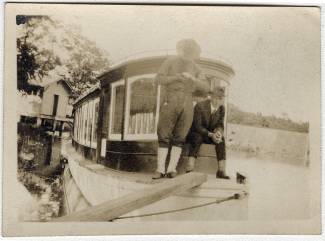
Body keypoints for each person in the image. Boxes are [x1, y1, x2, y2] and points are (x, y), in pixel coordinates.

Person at [152, 39, 209, 179]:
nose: (188, 56)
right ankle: (160, 169)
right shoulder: (170, 61)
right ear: (181, 50)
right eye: (186, 51)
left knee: (180, 136)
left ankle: (171, 169)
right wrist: (176, 78)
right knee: (164, 134)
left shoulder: (196, 68)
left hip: (187, 101)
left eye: (191, 53)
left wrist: (193, 79)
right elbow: (158, 79)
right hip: (170, 98)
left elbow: (206, 87)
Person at [186, 86, 230, 179]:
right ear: (212, 97)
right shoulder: (200, 106)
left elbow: (220, 124)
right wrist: (211, 135)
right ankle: (189, 168)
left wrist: (218, 133)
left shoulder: (222, 108)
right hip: (196, 133)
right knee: (197, 137)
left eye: (221, 98)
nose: (218, 101)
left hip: (210, 135)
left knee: (221, 140)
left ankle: (221, 171)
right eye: (217, 98)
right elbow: (197, 126)